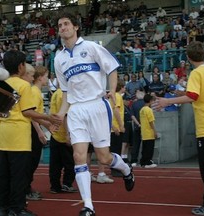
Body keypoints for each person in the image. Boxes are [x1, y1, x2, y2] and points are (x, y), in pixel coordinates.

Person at [53, 12, 135, 216]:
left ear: (76, 27)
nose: (62, 27)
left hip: (97, 105)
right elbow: (65, 93)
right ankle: (88, 206)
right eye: (59, 25)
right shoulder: (59, 58)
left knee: (104, 158)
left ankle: (125, 169)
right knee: (79, 156)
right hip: (76, 110)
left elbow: (112, 68)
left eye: (66, 24)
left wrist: (113, 92)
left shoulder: (91, 47)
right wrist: (60, 116)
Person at [0, 50, 59, 216]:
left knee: (3, 174)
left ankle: (3, 207)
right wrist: (48, 118)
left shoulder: (1, 83)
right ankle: (17, 209)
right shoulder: (24, 86)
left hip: (2, 133)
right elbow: (28, 112)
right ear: (21, 66)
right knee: (18, 175)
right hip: (18, 135)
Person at [155, 41, 204, 215]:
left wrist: (167, 100)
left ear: (188, 57)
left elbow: (193, 96)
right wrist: (182, 94)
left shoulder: (196, 73)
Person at [25, 65, 50, 201]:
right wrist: (40, 131)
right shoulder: (34, 92)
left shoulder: (36, 91)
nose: (47, 79)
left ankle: (26, 187)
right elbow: (32, 114)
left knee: (33, 161)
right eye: (46, 76)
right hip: (32, 129)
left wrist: (46, 124)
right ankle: (25, 188)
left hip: (35, 127)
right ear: (40, 77)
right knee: (32, 161)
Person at [49, 87, 78, 193]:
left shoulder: (56, 93)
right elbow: (65, 115)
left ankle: (54, 185)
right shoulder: (64, 95)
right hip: (62, 133)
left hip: (55, 133)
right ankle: (67, 183)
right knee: (70, 162)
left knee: (55, 163)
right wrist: (67, 134)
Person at [139, 94, 158, 168]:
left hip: (143, 132)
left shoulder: (142, 110)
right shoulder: (149, 110)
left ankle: (143, 162)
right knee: (149, 148)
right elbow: (151, 122)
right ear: (150, 101)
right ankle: (148, 162)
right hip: (149, 132)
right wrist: (155, 131)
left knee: (144, 149)